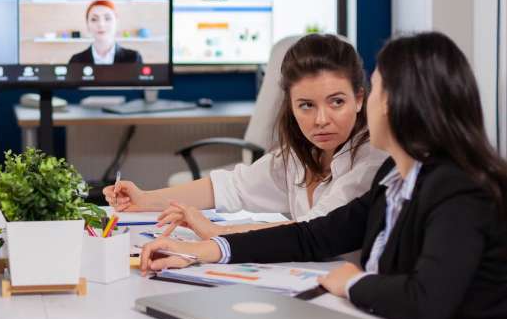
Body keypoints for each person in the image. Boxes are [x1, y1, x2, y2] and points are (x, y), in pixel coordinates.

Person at [140, 32, 507, 319]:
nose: (364, 104)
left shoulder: (459, 191)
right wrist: (204, 250)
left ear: (397, 104)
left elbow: (424, 301)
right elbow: (313, 235)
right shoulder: (394, 179)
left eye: (374, 89)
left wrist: (350, 281)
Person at [105, 34, 388, 238]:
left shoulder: (370, 163)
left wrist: (217, 232)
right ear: (290, 105)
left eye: (336, 102)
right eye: (306, 105)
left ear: (359, 98)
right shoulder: (301, 155)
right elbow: (233, 186)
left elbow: (312, 229)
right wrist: (145, 199)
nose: (322, 120)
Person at [68, 0, 143, 65]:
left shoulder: (133, 58)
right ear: (87, 24)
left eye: (107, 18)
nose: (101, 24)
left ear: (116, 22)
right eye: (94, 19)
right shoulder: (76, 60)